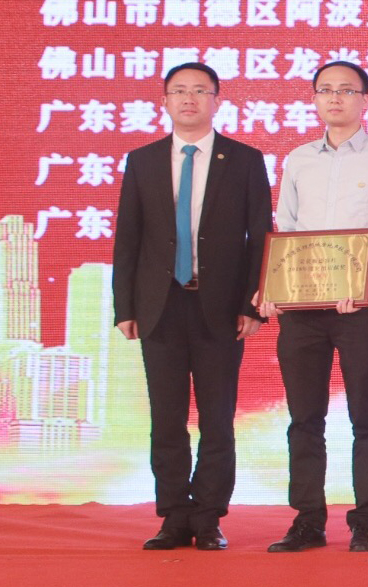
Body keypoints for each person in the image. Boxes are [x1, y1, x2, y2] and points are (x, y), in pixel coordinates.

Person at [111, 61, 270, 551]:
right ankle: (173, 516)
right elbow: (128, 237)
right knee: (167, 419)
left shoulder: (244, 160)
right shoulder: (143, 160)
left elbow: (261, 236)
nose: (188, 99)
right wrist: (125, 306)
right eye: (178, 90)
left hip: (219, 307)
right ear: (164, 101)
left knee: (218, 419)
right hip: (159, 307)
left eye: (200, 90)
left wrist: (252, 304)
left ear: (216, 101)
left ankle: (208, 517)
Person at [264, 60, 368, 553]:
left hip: (360, 308)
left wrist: (365, 284)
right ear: (314, 99)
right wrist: (277, 284)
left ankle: (366, 520)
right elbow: (285, 230)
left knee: (366, 416)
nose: (335, 98)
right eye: (325, 89)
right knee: (304, 419)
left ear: (365, 100)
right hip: (302, 308)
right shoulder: (298, 160)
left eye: (346, 90)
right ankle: (307, 520)